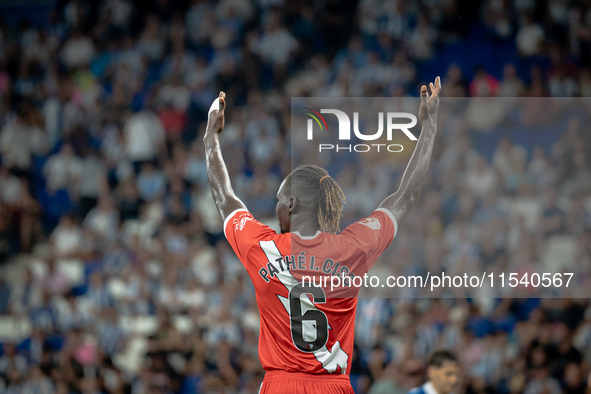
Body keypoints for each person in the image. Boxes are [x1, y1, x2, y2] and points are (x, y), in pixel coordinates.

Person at [204, 77, 441, 394]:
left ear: (290, 205)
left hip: (281, 385)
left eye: (278, 202)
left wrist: (210, 138)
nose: (276, 209)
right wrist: (429, 128)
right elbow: (403, 198)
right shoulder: (353, 247)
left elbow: (226, 199)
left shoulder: (264, 247)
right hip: (334, 387)